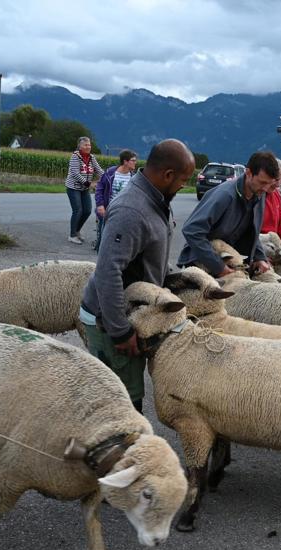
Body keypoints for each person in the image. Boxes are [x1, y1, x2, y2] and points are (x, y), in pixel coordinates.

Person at [80, 139, 195, 413]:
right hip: (110, 319)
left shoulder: (157, 199)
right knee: (122, 406)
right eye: (183, 179)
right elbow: (108, 270)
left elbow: (150, 258)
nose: (184, 185)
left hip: (132, 312)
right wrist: (120, 331)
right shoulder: (132, 210)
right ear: (167, 175)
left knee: (124, 397)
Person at [178, 151, 278, 277]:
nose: (265, 188)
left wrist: (260, 257)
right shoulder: (225, 195)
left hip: (229, 262)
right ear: (248, 173)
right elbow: (191, 230)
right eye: (262, 182)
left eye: (269, 183)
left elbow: (252, 232)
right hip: (202, 265)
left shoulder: (259, 194)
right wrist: (218, 267)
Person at [93, 149, 138, 251]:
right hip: (109, 210)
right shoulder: (110, 173)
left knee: (122, 237)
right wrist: (100, 205)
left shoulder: (134, 177)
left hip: (125, 211)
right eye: (133, 160)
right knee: (104, 236)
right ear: (125, 162)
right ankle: (100, 253)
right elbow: (99, 189)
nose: (135, 162)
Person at [64, 136, 103, 245]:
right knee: (78, 210)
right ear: (80, 146)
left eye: (89, 144)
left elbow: (98, 170)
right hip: (73, 188)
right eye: (85, 145)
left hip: (84, 189)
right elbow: (75, 173)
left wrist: (107, 178)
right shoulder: (75, 157)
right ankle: (72, 235)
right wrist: (88, 183)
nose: (88, 147)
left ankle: (77, 231)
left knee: (87, 210)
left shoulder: (91, 157)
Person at [259, 164, 281, 261]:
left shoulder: (276, 195)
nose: (278, 184)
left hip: (274, 250)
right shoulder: (256, 197)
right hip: (260, 250)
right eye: (276, 179)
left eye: (280, 179)